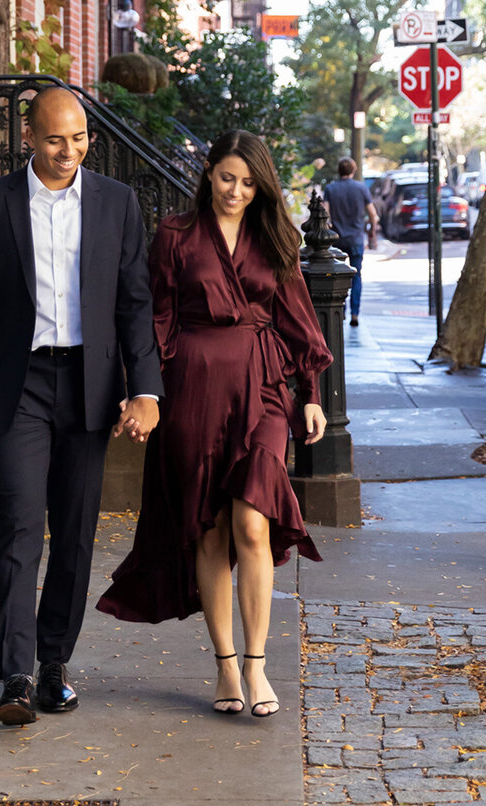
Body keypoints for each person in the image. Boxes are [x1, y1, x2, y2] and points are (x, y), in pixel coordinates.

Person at [0, 85, 163, 727]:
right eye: (54, 139)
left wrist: (145, 388)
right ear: (28, 140)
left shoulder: (116, 203)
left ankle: (52, 666)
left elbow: (135, 301)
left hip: (90, 386)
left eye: (79, 138)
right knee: (17, 523)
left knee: (75, 530)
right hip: (18, 385)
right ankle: (13, 676)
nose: (68, 150)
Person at [96, 130, 330, 719]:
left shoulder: (276, 236)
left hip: (263, 390)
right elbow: (156, 320)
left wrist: (311, 393)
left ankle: (257, 661)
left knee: (252, 522)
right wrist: (145, 394)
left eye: (249, 182)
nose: (236, 190)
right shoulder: (176, 235)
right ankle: (225, 664)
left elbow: (298, 318)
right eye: (228, 177)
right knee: (208, 528)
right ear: (208, 173)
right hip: (194, 391)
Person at [322, 157, 378, 326]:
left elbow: (325, 215)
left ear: (339, 170)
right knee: (357, 276)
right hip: (355, 239)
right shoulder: (361, 188)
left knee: (337, 277)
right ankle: (355, 313)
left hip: (337, 240)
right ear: (353, 171)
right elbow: (373, 215)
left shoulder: (331, 189)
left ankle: (341, 312)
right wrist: (371, 232)